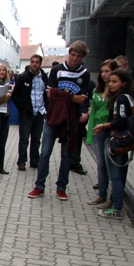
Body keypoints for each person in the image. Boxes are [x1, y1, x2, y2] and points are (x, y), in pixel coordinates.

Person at [28, 40, 91, 201]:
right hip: (53, 116)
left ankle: (61, 187)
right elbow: (50, 94)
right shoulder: (57, 70)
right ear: (69, 53)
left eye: (78, 56)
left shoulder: (84, 74)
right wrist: (69, 96)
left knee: (67, 154)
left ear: (82, 57)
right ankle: (39, 186)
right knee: (45, 153)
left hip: (71, 119)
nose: (74, 58)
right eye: (72, 54)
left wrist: (61, 94)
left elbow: (81, 99)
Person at [93, 69, 134, 219]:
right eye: (110, 81)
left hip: (116, 140)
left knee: (115, 176)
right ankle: (116, 205)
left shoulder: (121, 99)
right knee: (118, 175)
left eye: (114, 82)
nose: (110, 84)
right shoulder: (130, 98)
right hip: (124, 140)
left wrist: (104, 126)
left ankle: (117, 208)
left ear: (123, 83)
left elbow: (121, 121)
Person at [86, 59, 118, 209]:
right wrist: (90, 133)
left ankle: (113, 198)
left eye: (108, 71)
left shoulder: (117, 92)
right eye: (102, 71)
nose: (104, 74)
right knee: (100, 164)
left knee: (110, 164)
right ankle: (102, 194)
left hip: (111, 130)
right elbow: (93, 113)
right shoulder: (96, 90)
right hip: (98, 130)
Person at [12, 54, 48, 171]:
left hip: (40, 112)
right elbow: (15, 94)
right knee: (24, 139)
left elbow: (47, 94)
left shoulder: (44, 77)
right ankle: (21, 161)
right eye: (32, 61)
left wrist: (47, 108)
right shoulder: (23, 78)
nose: (34, 64)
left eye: (37, 62)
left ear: (40, 63)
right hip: (27, 113)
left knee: (36, 139)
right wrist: (22, 108)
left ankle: (34, 161)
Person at [70, 77, 93, 176]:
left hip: (82, 115)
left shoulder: (90, 83)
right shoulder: (69, 81)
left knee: (77, 140)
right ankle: (69, 161)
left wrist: (87, 113)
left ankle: (75, 163)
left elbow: (94, 101)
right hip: (69, 114)